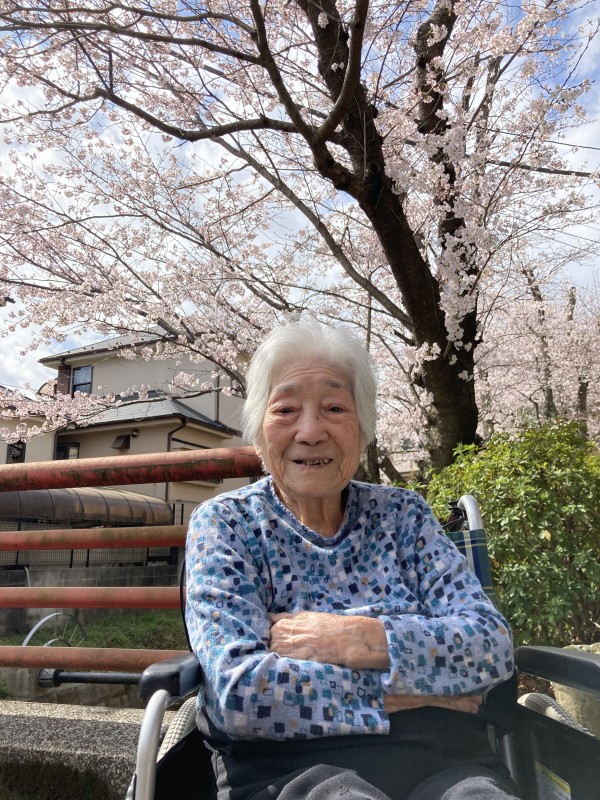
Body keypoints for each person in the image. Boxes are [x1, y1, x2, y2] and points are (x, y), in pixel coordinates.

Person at [185, 319, 522, 800]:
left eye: (335, 408)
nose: (309, 432)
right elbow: (241, 694)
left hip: (448, 760)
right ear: (259, 431)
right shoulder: (227, 523)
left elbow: (491, 646)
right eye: (286, 409)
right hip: (289, 769)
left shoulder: (404, 516)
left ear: (363, 429)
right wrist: (416, 689)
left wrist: (349, 639)